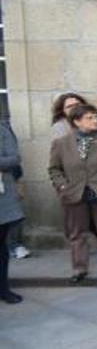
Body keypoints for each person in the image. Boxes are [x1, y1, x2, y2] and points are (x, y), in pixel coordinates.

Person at [48, 104, 97, 281]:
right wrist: (62, 186)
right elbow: (54, 169)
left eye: (96, 117)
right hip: (74, 192)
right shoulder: (61, 144)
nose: (95, 120)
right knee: (77, 232)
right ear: (77, 121)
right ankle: (79, 268)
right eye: (90, 118)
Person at [0, 120, 24, 302]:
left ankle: (3, 289)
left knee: (1, 247)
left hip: (2, 196)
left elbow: (14, 158)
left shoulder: (3, 129)